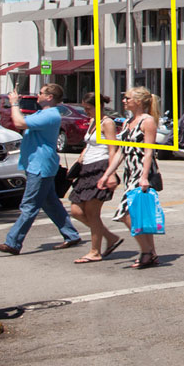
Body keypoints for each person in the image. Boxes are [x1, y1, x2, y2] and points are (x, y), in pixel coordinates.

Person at [0, 83, 83, 256]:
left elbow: (19, 122)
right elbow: (21, 122)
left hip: (40, 166)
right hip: (36, 164)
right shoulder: (42, 113)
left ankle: (13, 242)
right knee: (50, 203)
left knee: (29, 205)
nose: (37, 95)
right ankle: (71, 235)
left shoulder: (50, 115)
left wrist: (15, 103)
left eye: (41, 93)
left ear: (49, 97)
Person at [97, 87, 161, 269]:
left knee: (125, 213)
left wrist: (144, 177)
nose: (124, 101)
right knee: (141, 215)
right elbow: (120, 152)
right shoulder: (127, 122)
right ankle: (150, 253)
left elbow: (149, 152)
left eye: (127, 98)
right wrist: (107, 174)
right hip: (130, 172)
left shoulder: (147, 121)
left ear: (138, 101)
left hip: (142, 171)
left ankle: (147, 251)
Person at [68, 93, 122, 264]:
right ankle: (109, 237)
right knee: (76, 210)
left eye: (88, 108)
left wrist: (111, 174)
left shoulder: (108, 123)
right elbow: (88, 144)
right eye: (84, 108)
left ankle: (95, 251)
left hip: (100, 168)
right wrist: (78, 162)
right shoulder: (93, 122)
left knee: (92, 213)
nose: (86, 112)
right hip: (86, 169)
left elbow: (113, 149)